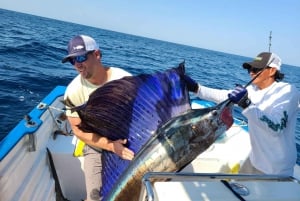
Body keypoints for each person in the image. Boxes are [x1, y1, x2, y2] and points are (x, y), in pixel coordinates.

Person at [184, 52, 300, 176]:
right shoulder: (252, 89)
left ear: (272, 71)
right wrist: (196, 88)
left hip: (276, 169)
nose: (251, 72)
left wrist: (246, 103)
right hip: (254, 160)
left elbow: (276, 128)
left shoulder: (287, 92)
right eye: (250, 69)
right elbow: (224, 96)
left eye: (256, 69)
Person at [62, 35, 135, 201]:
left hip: (129, 141)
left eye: (81, 57)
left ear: (97, 55)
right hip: (97, 145)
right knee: (95, 197)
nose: (78, 64)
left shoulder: (125, 80)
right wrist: (110, 146)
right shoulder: (73, 92)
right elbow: (78, 130)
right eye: (73, 60)